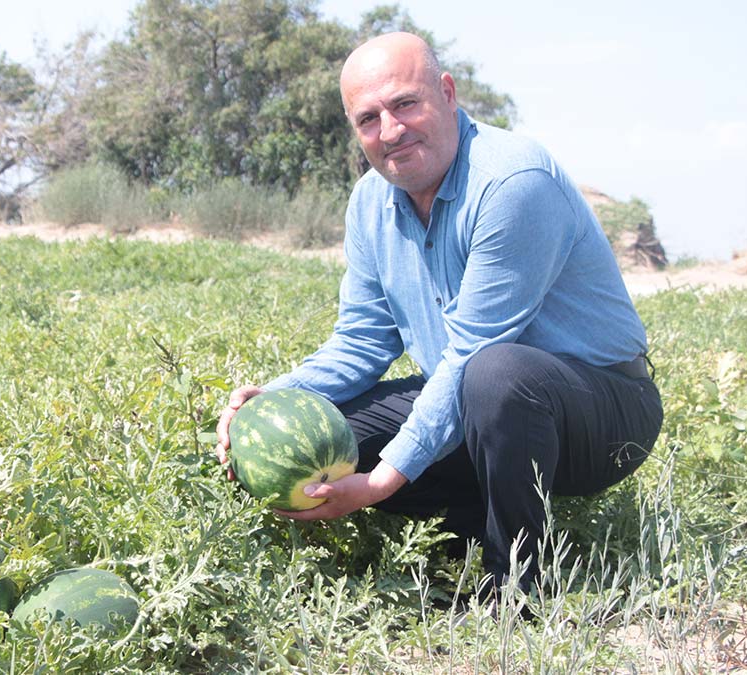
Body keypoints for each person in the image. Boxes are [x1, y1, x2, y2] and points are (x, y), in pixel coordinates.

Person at [214, 31, 663, 594]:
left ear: (447, 93)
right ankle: (478, 531)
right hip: (479, 404)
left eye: (405, 103)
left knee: (497, 375)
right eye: (368, 118)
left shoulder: (511, 182)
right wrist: (273, 399)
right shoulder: (370, 204)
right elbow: (362, 341)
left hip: (601, 411)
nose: (391, 131)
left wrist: (380, 483)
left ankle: (520, 588)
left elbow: (473, 354)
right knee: (338, 433)